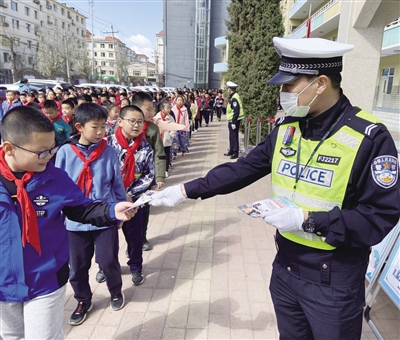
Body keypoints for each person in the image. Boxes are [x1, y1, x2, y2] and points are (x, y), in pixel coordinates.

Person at [149, 37, 400, 340]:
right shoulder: (288, 128)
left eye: (288, 86)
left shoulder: (369, 137)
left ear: (320, 83)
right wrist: (184, 191)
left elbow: (380, 216)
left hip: (333, 279)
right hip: (285, 268)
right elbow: (243, 168)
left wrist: (307, 219)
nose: (282, 95)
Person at [0, 106, 137, 340]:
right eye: (41, 152)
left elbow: (82, 209)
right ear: (9, 149)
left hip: (46, 279)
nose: (49, 156)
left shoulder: (54, 178)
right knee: (11, 336)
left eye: (51, 148)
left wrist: (112, 210)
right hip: (3, 284)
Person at [55, 103, 127, 326]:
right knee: (77, 267)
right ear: (79, 126)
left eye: (104, 126)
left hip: (104, 217)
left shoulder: (108, 151)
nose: (100, 132)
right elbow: (57, 187)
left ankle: (115, 291)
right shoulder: (65, 152)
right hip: (75, 222)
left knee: (108, 262)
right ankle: (83, 300)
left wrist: (119, 210)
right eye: (95, 127)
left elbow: (117, 184)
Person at [106, 105, 156, 286]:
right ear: (120, 121)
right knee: (107, 237)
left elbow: (149, 175)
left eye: (140, 122)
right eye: (132, 121)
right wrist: (117, 194)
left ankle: (136, 267)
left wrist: (130, 194)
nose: (136, 126)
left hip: (134, 201)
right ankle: (107, 267)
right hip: (109, 201)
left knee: (134, 236)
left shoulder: (145, 148)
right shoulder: (107, 144)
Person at [154, 100, 176, 178]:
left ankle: (166, 170)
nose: (169, 109)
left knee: (166, 155)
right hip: (158, 140)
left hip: (166, 140)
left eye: (170, 108)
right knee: (159, 156)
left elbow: (173, 127)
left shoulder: (170, 118)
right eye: (167, 108)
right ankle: (159, 170)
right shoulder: (156, 118)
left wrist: (172, 134)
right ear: (162, 109)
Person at [224, 81, 244, 159]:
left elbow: (236, 111)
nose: (227, 90)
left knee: (234, 136)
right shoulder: (233, 96)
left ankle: (235, 152)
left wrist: (234, 122)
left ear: (230, 89)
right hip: (231, 120)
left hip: (234, 120)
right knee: (231, 136)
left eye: (228, 88)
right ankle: (231, 150)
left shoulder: (234, 98)